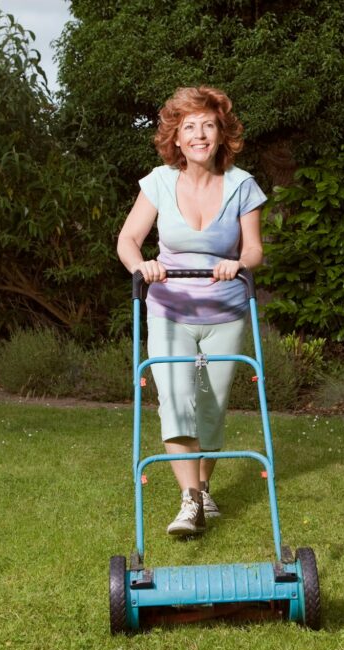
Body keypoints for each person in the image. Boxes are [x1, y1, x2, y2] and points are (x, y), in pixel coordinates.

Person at [117, 86, 267, 536]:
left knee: (211, 408)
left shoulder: (242, 185)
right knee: (175, 401)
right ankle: (189, 502)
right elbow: (127, 240)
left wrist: (238, 262)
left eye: (208, 126)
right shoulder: (159, 182)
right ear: (176, 139)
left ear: (221, 134)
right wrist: (141, 264)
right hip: (170, 310)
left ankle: (203, 489)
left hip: (225, 311)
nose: (199, 135)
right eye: (189, 128)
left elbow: (255, 249)